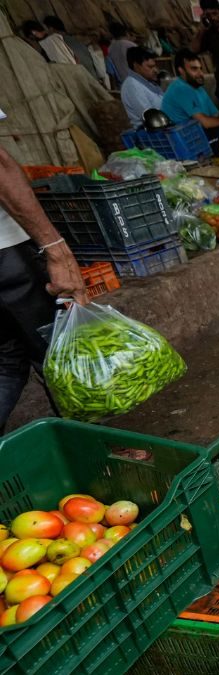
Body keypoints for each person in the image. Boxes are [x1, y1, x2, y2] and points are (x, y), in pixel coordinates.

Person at [0, 136, 87, 432]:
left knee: (6, 361)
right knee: (59, 353)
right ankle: (98, 449)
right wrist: (56, 248)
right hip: (4, 253)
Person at [161, 49, 219, 137]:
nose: (201, 74)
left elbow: (215, 115)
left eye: (200, 69)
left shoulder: (197, 87)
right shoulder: (180, 89)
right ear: (181, 71)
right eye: (194, 69)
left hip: (200, 134)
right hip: (186, 139)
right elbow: (205, 123)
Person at [44, 16, 102, 83]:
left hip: (82, 83)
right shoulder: (76, 40)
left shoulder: (58, 45)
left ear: (51, 29)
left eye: (46, 29)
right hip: (94, 80)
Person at [120, 47, 164, 128]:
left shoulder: (148, 81)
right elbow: (151, 118)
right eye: (150, 67)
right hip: (150, 132)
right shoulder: (132, 85)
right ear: (136, 65)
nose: (155, 70)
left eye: (155, 66)